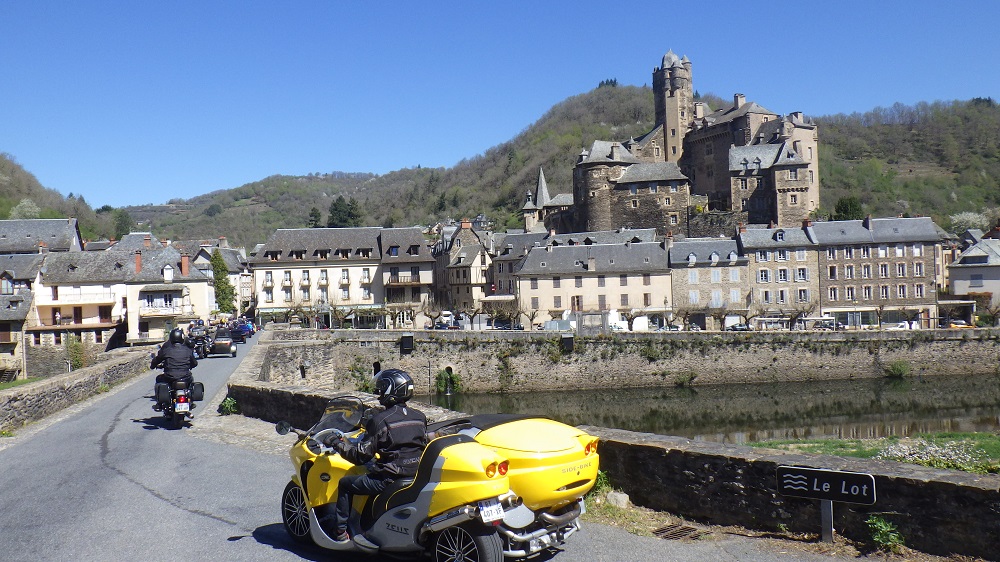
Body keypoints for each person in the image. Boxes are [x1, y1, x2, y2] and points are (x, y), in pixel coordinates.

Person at [331, 369, 427, 543]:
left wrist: (337, 444)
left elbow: (360, 456)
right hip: (415, 476)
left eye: (382, 388)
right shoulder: (420, 417)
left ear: (391, 390)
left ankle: (341, 532)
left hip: (389, 479)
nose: (379, 393)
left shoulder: (380, 420)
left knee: (345, 484)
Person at [150, 327, 198, 411]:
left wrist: (153, 365)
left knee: (159, 379)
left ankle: (159, 403)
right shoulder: (187, 350)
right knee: (191, 381)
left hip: (170, 377)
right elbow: (194, 363)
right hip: (185, 377)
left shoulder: (167, 350)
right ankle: (191, 401)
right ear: (182, 338)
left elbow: (157, 359)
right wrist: (189, 366)